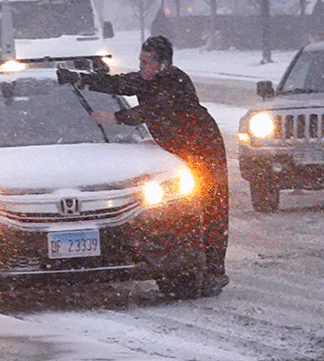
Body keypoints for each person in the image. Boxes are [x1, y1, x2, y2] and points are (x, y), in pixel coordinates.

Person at [58, 35, 230, 297]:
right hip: (176, 147)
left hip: (203, 146)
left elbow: (154, 109)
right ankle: (190, 264)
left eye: (147, 62)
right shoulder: (144, 79)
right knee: (186, 209)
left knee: (210, 206)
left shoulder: (175, 81)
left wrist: (115, 118)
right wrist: (80, 79)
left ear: (163, 64)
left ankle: (214, 271)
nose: (142, 67)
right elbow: (117, 83)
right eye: (140, 61)